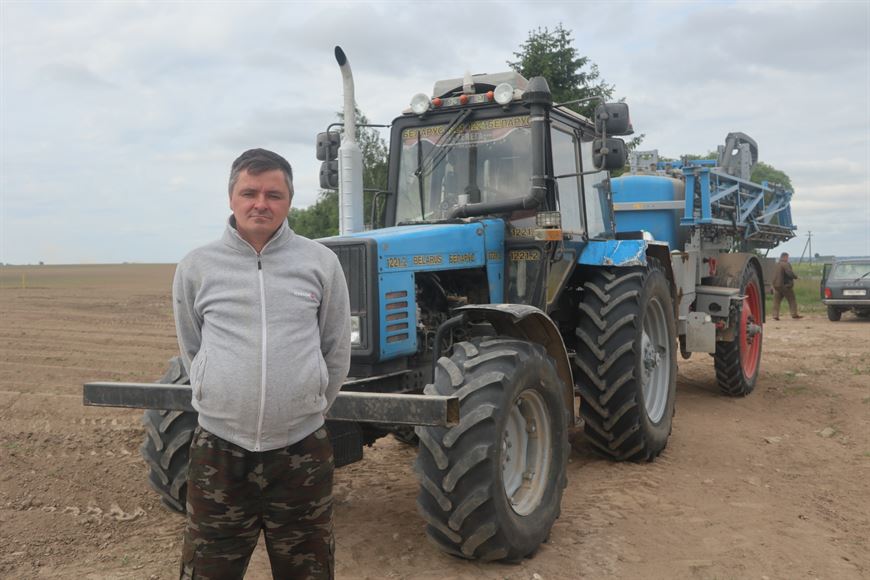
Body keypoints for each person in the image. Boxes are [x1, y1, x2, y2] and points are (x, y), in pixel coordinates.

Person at [172, 148, 351, 579]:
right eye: (249, 193)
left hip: (301, 452)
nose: (261, 204)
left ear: (289, 201)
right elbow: (192, 347)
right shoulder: (197, 267)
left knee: (308, 569)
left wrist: (304, 406)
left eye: (274, 194)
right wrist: (217, 394)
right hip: (219, 453)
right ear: (231, 198)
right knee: (208, 569)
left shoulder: (320, 263)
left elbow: (335, 349)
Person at [771, 251, 802, 320]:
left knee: (776, 301)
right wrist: (796, 277)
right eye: (787, 257)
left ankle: (775, 315)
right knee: (792, 300)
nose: (788, 258)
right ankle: (794, 314)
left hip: (777, 286)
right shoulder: (785, 264)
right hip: (785, 285)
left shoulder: (777, 264)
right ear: (785, 257)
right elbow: (789, 273)